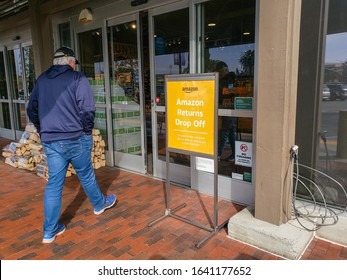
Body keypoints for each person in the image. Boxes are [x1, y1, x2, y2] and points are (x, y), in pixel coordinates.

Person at [27, 47, 117, 243]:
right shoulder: (77, 78)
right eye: (75, 62)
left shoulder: (42, 80)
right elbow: (87, 109)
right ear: (70, 61)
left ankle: (49, 231)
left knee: (54, 184)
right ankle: (99, 204)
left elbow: (31, 108)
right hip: (75, 137)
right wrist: (86, 131)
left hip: (51, 140)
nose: (75, 66)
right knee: (85, 174)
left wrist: (42, 128)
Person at [215, 61, 236, 162]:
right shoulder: (230, 79)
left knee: (224, 132)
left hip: (227, 109)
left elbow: (224, 94)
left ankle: (218, 154)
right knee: (230, 131)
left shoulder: (226, 80)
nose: (219, 74)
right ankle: (235, 154)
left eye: (219, 72)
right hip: (229, 109)